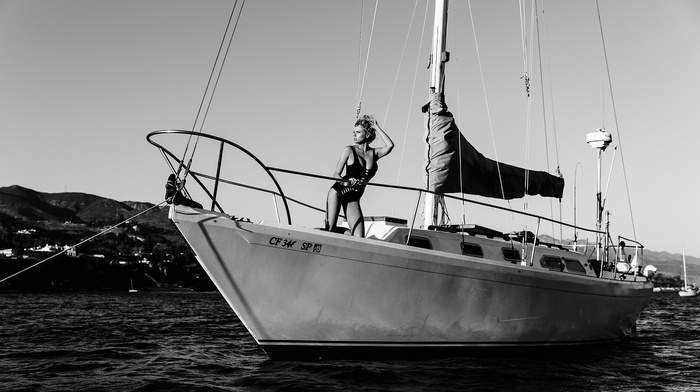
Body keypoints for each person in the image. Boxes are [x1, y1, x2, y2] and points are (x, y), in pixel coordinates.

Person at [324, 115, 394, 237]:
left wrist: (376, 127)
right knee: (330, 230)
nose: (354, 135)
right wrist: (346, 182)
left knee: (359, 238)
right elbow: (336, 174)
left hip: (353, 198)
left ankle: (322, 229)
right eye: (353, 132)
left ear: (366, 135)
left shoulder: (374, 153)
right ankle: (319, 230)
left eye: (358, 132)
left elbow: (390, 146)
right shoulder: (349, 150)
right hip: (338, 192)